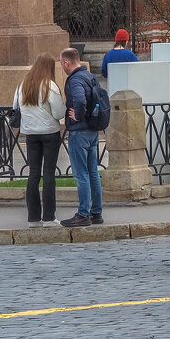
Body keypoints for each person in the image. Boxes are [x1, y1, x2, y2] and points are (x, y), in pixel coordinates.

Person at [14, 53, 66, 227]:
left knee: (33, 174)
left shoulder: (23, 85)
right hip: (50, 132)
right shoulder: (50, 86)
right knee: (49, 174)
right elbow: (58, 113)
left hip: (30, 133)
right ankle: (49, 217)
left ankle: (33, 218)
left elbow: (15, 107)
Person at [60, 47, 104, 227]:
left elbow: (79, 100)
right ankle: (97, 212)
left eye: (62, 63)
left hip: (79, 132)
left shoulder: (75, 79)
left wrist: (78, 115)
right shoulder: (90, 76)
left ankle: (83, 213)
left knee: (81, 174)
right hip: (93, 130)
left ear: (66, 62)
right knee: (93, 173)